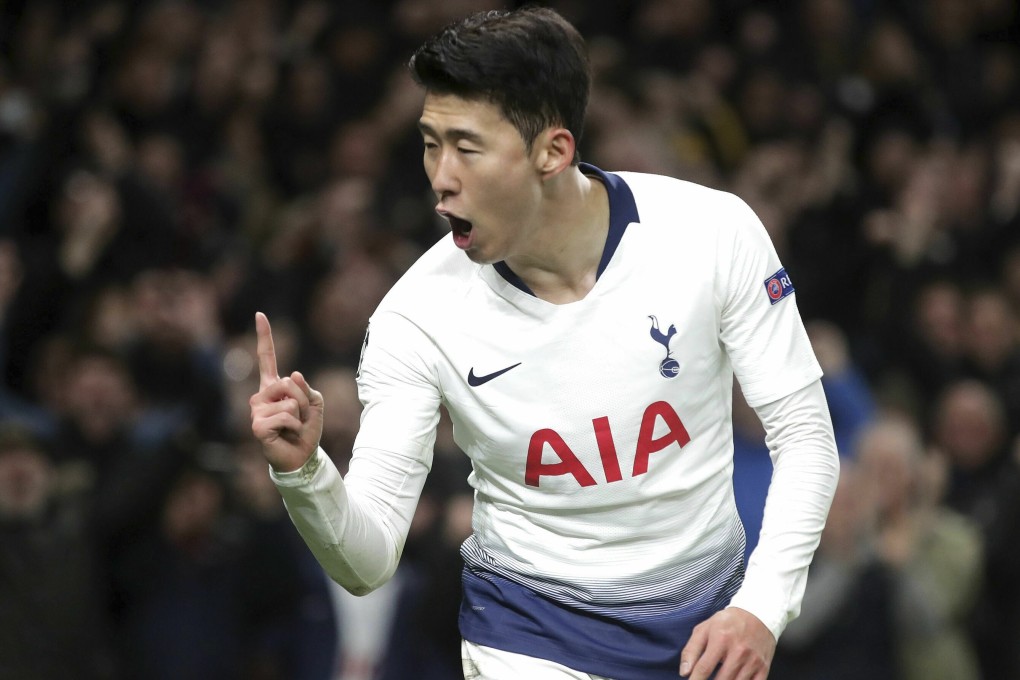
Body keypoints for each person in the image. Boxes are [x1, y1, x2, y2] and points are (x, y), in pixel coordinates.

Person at [249, 7, 839, 680]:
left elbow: (805, 437)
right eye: (431, 144)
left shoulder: (712, 234)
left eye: (467, 147)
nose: (441, 177)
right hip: (529, 636)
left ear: (552, 153)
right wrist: (305, 475)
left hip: (706, 628)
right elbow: (368, 560)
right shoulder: (414, 320)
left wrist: (761, 608)